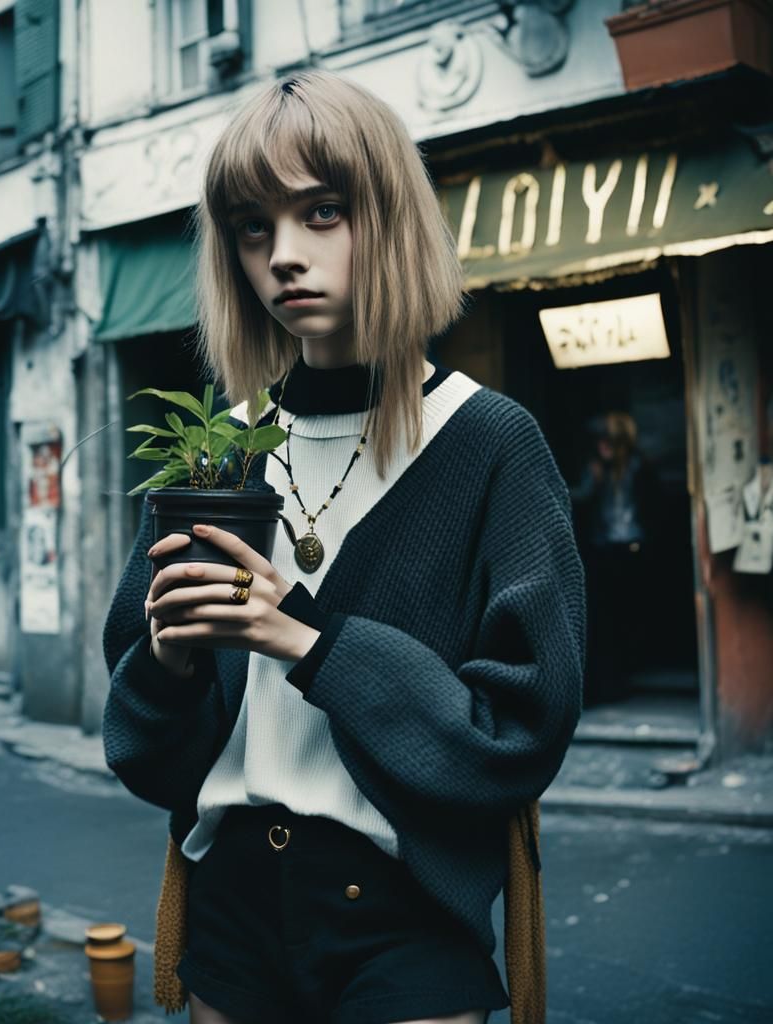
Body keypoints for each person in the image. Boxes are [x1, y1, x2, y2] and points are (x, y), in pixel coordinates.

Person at [102, 71, 585, 1024]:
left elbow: (519, 732)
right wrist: (171, 663)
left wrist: (310, 642)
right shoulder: (213, 451)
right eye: (253, 226)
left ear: (391, 217)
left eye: (323, 212)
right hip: (231, 908)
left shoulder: (490, 443)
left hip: (405, 917)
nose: (284, 255)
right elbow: (146, 753)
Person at [569, 412, 660, 706]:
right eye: (599, 441)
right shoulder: (596, 469)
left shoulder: (639, 467)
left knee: (629, 616)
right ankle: (607, 685)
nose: (601, 446)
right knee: (602, 619)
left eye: (607, 440)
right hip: (602, 549)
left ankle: (629, 676)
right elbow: (578, 499)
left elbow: (654, 508)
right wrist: (592, 483)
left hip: (634, 549)